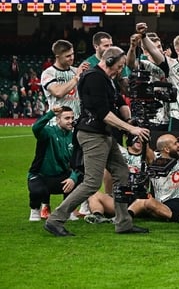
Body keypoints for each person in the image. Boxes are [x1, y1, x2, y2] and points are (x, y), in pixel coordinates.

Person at [43, 47, 151, 237]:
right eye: (118, 66)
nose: (119, 70)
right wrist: (130, 129)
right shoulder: (95, 77)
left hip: (104, 134)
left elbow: (115, 104)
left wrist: (128, 120)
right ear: (108, 61)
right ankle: (55, 219)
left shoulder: (106, 78)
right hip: (93, 135)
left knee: (121, 173)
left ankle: (123, 222)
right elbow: (103, 113)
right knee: (92, 183)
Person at [28, 106, 80, 221]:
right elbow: (36, 128)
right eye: (67, 118)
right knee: (38, 191)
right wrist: (50, 113)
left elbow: (78, 161)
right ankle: (35, 210)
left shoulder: (74, 137)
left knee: (81, 178)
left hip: (60, 176)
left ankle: (68, 210)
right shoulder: (48, 132)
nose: (70, 121)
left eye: (72, 118)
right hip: (40, 175)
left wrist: (73, 177)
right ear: (57, 120)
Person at [41, 40, 89, 117]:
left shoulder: (76, 70)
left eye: (72, 54)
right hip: (57, 123)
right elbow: (58, 92)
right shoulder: (48, 73)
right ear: (58, 57)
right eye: (68, 56)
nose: (72, 58)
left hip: (77, 120)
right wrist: (77, 77)